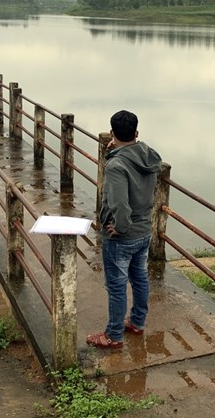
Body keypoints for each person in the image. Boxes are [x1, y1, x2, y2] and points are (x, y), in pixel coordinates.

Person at [86, 110, 162, 350]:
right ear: (137, 133)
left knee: (117, 286)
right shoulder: (148, 155)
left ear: (112, 133)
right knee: (139, 278)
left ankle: (114, 335)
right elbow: (141, 152)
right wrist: (119, 147)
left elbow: (119, 203)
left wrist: (119, 227)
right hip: (144, 231)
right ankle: (137, 322)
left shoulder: (116, 166)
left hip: (123, 236)